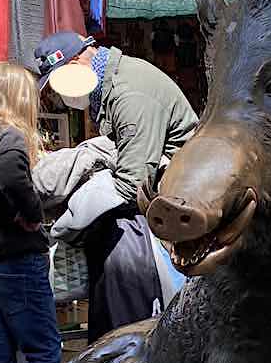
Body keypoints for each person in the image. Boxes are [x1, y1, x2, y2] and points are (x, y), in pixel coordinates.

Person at [33, 32, 199, 342]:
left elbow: (131, 184)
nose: (58, 95)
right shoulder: (110, 88)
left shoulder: (130, 94)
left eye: (58, 82)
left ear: (77, 62)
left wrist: (66, 225)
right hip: (154, 201)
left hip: (174, 207)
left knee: (130, 307)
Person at [0, 63, 61, 363]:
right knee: (45, 354)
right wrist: (32, 213)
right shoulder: (9, 136)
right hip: (17, 259)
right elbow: (10, 172)